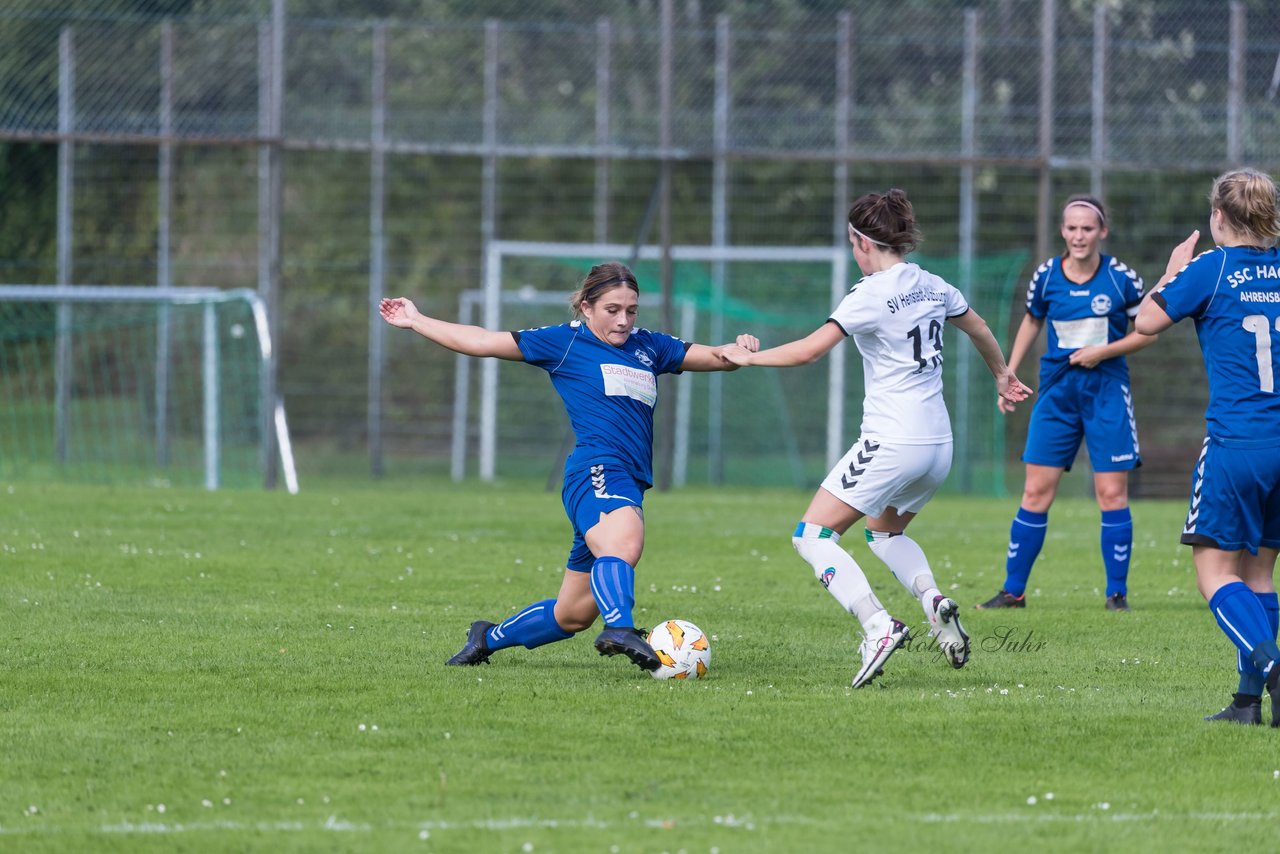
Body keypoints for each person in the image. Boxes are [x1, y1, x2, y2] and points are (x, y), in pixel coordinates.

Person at [379, 262, 757, 673]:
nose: (624, 319)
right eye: (613, 309)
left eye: (632, 310)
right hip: (596, 468)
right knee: (625, 544)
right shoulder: (565, 342)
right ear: (586, 306)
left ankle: (485, 638)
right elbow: (483, 341)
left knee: (572, 615)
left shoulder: (649, 346)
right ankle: (620, 628)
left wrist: (735, 352)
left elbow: (714, 357)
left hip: (626, 478)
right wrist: (416, 320)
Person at [721, 189, 1032, 688]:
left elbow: (809, 352)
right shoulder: (932, 284)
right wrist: (1001, 374)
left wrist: (749, 357)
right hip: (938, 445)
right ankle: (934, 602)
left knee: (811, 537)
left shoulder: (869, 293)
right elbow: (977, 327)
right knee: (884, 532)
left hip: (893, 441)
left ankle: (877, 625)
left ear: (861, 240)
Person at [1135, 168, 1280, 726]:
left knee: (1216, 575)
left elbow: (1145, 321)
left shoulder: (1212, 269)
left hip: (1236, 445)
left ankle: (1270, 668)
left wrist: (1171, 272)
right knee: (1260, 574)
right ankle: (1247, 703)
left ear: (1219, 217)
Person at [976, 195, 1155, 612]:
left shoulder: (1121, 278)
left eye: (1088, 228)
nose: (1079, 236)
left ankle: (1117, 595)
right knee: (1035, 491)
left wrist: (1102, 352)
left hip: (1107, 392)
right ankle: (1013, 592)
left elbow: (1149, 332)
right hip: (1057, 394)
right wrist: (1008, 372)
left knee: (1111, 493)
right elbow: (1033, 319)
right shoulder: (1046, 276)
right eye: (1072, 228)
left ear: (1102, 232)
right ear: (1062, 231)